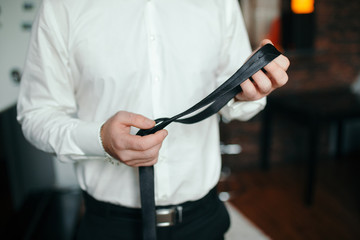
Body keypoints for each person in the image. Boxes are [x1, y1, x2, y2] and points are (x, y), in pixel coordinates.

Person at [17, 0, 289, 239]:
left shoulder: (218, 2)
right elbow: (36, 113)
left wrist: (245, 93)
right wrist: (100, 140)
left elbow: (233, 98)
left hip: (203, 220)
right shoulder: (61, 6)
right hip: (110, 226)